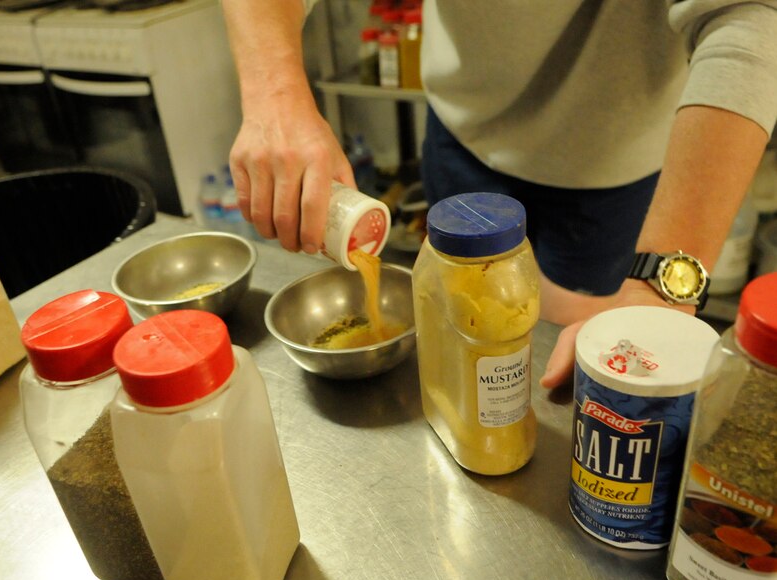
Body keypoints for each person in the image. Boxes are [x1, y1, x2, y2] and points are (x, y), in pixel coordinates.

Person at [220, 0, 777, 387]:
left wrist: (660, 284)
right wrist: (275, 97)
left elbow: (750, 17)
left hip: (612, 162)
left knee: (579, 360)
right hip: (463, 129)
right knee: (466, 334)